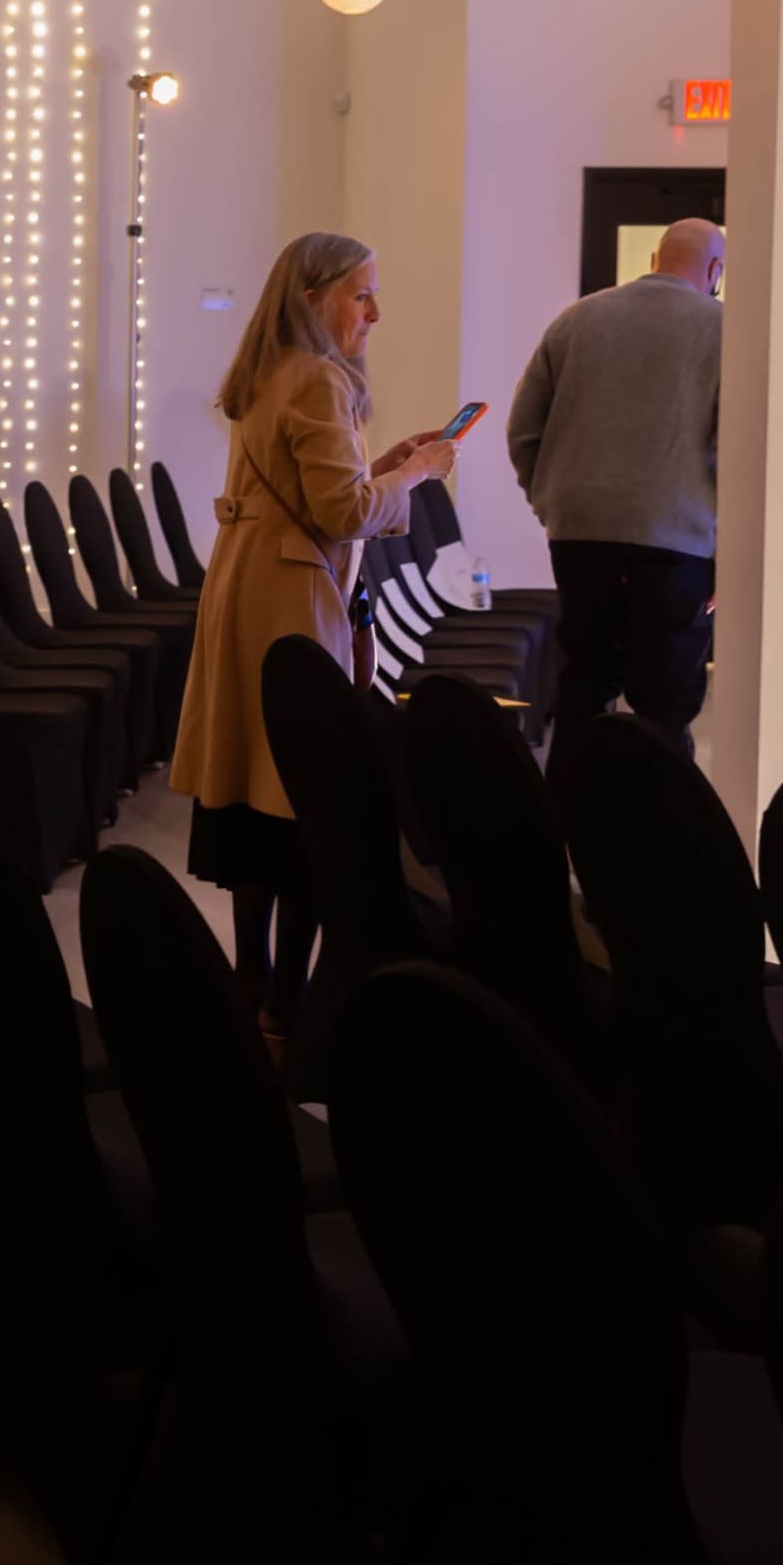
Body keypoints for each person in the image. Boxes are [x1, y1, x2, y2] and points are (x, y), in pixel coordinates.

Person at [171, 231, 459, 1027]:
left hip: (247, 582)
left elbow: (317, 489)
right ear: (313, 298)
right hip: (293, 595)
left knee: (252, 781)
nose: (375, 312)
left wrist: (383, 465)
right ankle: (287, 999)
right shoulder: (322, 379)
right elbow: (342, 512)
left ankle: (253, 974)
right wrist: (418, 473)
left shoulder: (268, 370)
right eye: (361, 294)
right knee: (306, 788)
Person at [506, 217, 724, 774]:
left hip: (579, 532)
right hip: (676, 536)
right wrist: (726, 545)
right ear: (715, 271)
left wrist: (550, 502)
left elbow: (524, 430)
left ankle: (567, 811)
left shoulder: (577, 319)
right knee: (665, 697)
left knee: (586, 679)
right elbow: (735, 447)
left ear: (655, 259)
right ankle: (661, 813)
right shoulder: (724, 329)